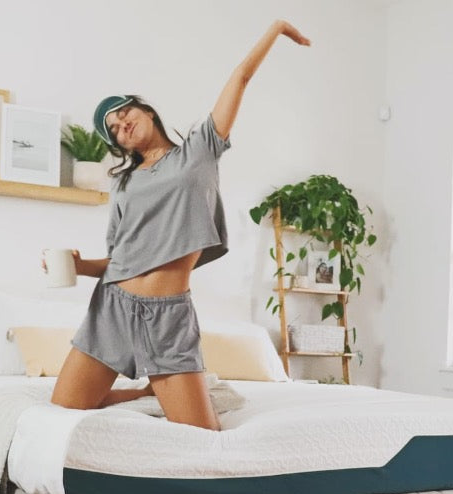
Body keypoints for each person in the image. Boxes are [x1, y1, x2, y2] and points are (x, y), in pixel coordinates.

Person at [51, 20, 311, 430]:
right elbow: (121, 258)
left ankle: (156, 387)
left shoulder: (199, 150)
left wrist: (276, 29)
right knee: (63, 408)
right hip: (112, 308)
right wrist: (79, 266)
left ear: (146, 110)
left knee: (203, 435)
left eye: (124, 114)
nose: (122, 126)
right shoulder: (125, 183)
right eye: (115, 131)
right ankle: (140, 393)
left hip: (168, 316)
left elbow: (240, 78)